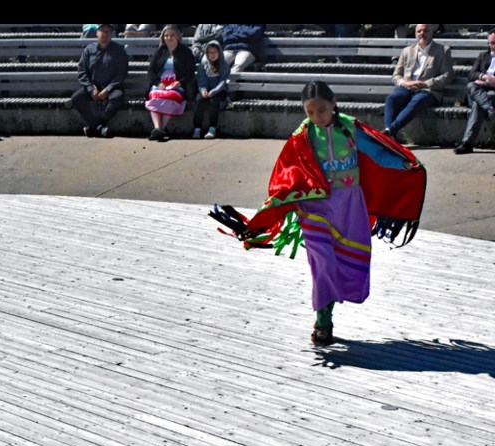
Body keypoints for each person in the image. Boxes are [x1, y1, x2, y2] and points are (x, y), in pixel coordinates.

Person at [209, 81, 426, 345]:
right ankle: (323, 323)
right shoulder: (303, 135)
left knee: (345, 264)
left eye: (321, 110)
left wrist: (405, 164)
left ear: (333, 104)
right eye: (310, 112)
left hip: (349, 205)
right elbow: (287, 173)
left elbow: (378, 153)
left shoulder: (349, 128)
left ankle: (327, 313)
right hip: (315, 207)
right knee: (322, 264)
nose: (316, 117)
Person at [383, 24, 452, 139]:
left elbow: (448, 75)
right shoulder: (406, 51)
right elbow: (396, 75)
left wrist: (426, 83)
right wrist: (405, 83)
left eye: (425, 31)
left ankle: (390, 131)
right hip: (407, 87)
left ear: (432, 33)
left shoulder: (443, 50)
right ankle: (390, 135)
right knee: (391, 99)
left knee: (417, 101)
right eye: (419, 31)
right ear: (415, 34)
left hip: (428, 90)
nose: (422, 33)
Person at [73, 23, 129, 138]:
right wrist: (90, 88)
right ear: (97, 33)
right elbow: (82, 71)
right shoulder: (89, 50)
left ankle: (96, 125)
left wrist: (108, 89)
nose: (105, 34)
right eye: (102, 31)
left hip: (112, 88)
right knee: (76, 98)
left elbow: (121, 74)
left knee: (118, 97)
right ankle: (99, 128)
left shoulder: (119, 50)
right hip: (93, 88)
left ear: (112, 34)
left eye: (108, 31)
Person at [145, 25, 195, 141]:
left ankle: (162, 128)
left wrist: (179, 83)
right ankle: (157, 128)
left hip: (177, 84)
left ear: (178, 36)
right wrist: (158, 83)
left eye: (172, 35)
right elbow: (151, 71)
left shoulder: (185, 52)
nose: (169, 37)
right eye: (166, 35)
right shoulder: (160, 51)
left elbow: (190, 72)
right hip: (160, 83)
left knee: (171, 96)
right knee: (155, 96)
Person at [454, 30, 495, 154]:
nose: (494, 46)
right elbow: (471, 74)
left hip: (492, 93)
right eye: (492, 43)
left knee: (479, 104)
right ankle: (490, 110)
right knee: (471, 85)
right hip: (479, 89)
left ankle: (467, 144)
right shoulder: (483, 55)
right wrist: (484, 78)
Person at [193, 41, 230, 139]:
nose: (212, 55)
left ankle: (212, 128)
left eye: (215, 52)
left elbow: (223, 82)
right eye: (210, 52)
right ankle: (197, 128)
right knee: (199, 100)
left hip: (220, 91)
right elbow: (202, 80)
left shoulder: (224, 65)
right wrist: (203, 90)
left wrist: (214, 91)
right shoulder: (203, 65)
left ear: (219, 52)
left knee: (214, 101)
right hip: (207, 90)